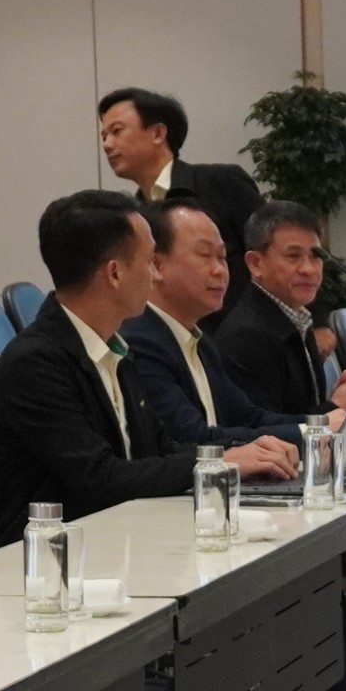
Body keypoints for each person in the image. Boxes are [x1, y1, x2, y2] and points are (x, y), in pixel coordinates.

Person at [0, 190, 196, 541]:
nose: (155, 276)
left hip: (114, 537)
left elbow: (159, 449)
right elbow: (100, 480)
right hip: (48, 557)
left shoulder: (114, 350)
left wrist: (229, 457)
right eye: (149, 262)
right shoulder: (35, 364)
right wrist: (219, 464)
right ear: (114, 273)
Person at [117, 196, 306, 481]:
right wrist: (313, 433)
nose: (220, 270)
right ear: (156, 265)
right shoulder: (140, 342)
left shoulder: (200, 340)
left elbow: (249, 416)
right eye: (205, 256)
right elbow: (193, 436)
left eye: (222, 257)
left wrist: (318, 427)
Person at [98, 85, 264, 318]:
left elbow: (273, 253)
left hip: (240, 332)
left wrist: (314, 322)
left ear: (158, 133)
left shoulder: (222, 182)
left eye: (117, 131)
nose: (107, 144)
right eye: (104, 136)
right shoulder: (132, 216)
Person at [209, 199, 346, 420]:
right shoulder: (247, 335)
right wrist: (333, 408)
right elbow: (259, 430)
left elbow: (297, 410)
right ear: (255, 263)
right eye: (293, 256)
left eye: (316, 256)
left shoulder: (297, 317)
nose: (308, 269)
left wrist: (335, 400)